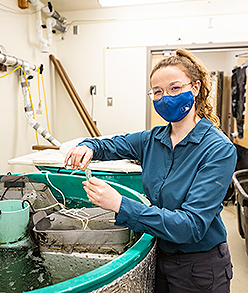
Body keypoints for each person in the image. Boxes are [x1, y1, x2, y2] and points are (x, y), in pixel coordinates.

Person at [64, 49, 237, 293]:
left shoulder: (218, 149)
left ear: (195, 88)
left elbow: (191, 226)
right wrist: (88, 146)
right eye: (157, 92)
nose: (165, 97)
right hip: (159, 256)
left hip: (200, 267)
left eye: (174, 88)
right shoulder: (153, 139)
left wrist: (119, 204)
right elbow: (111, 144)